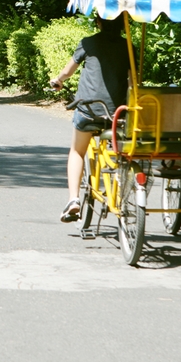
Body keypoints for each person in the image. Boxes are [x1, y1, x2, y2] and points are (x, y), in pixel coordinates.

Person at [49, 15, 129, 222]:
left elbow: (68, 71)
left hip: (89, 111)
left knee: (77, 150)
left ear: (99, 23)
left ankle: (73, 199)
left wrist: (58, 80)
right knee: (121, 152)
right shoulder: (128, 46)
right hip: (117, 114)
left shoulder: (88, 43)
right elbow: (133, 79)